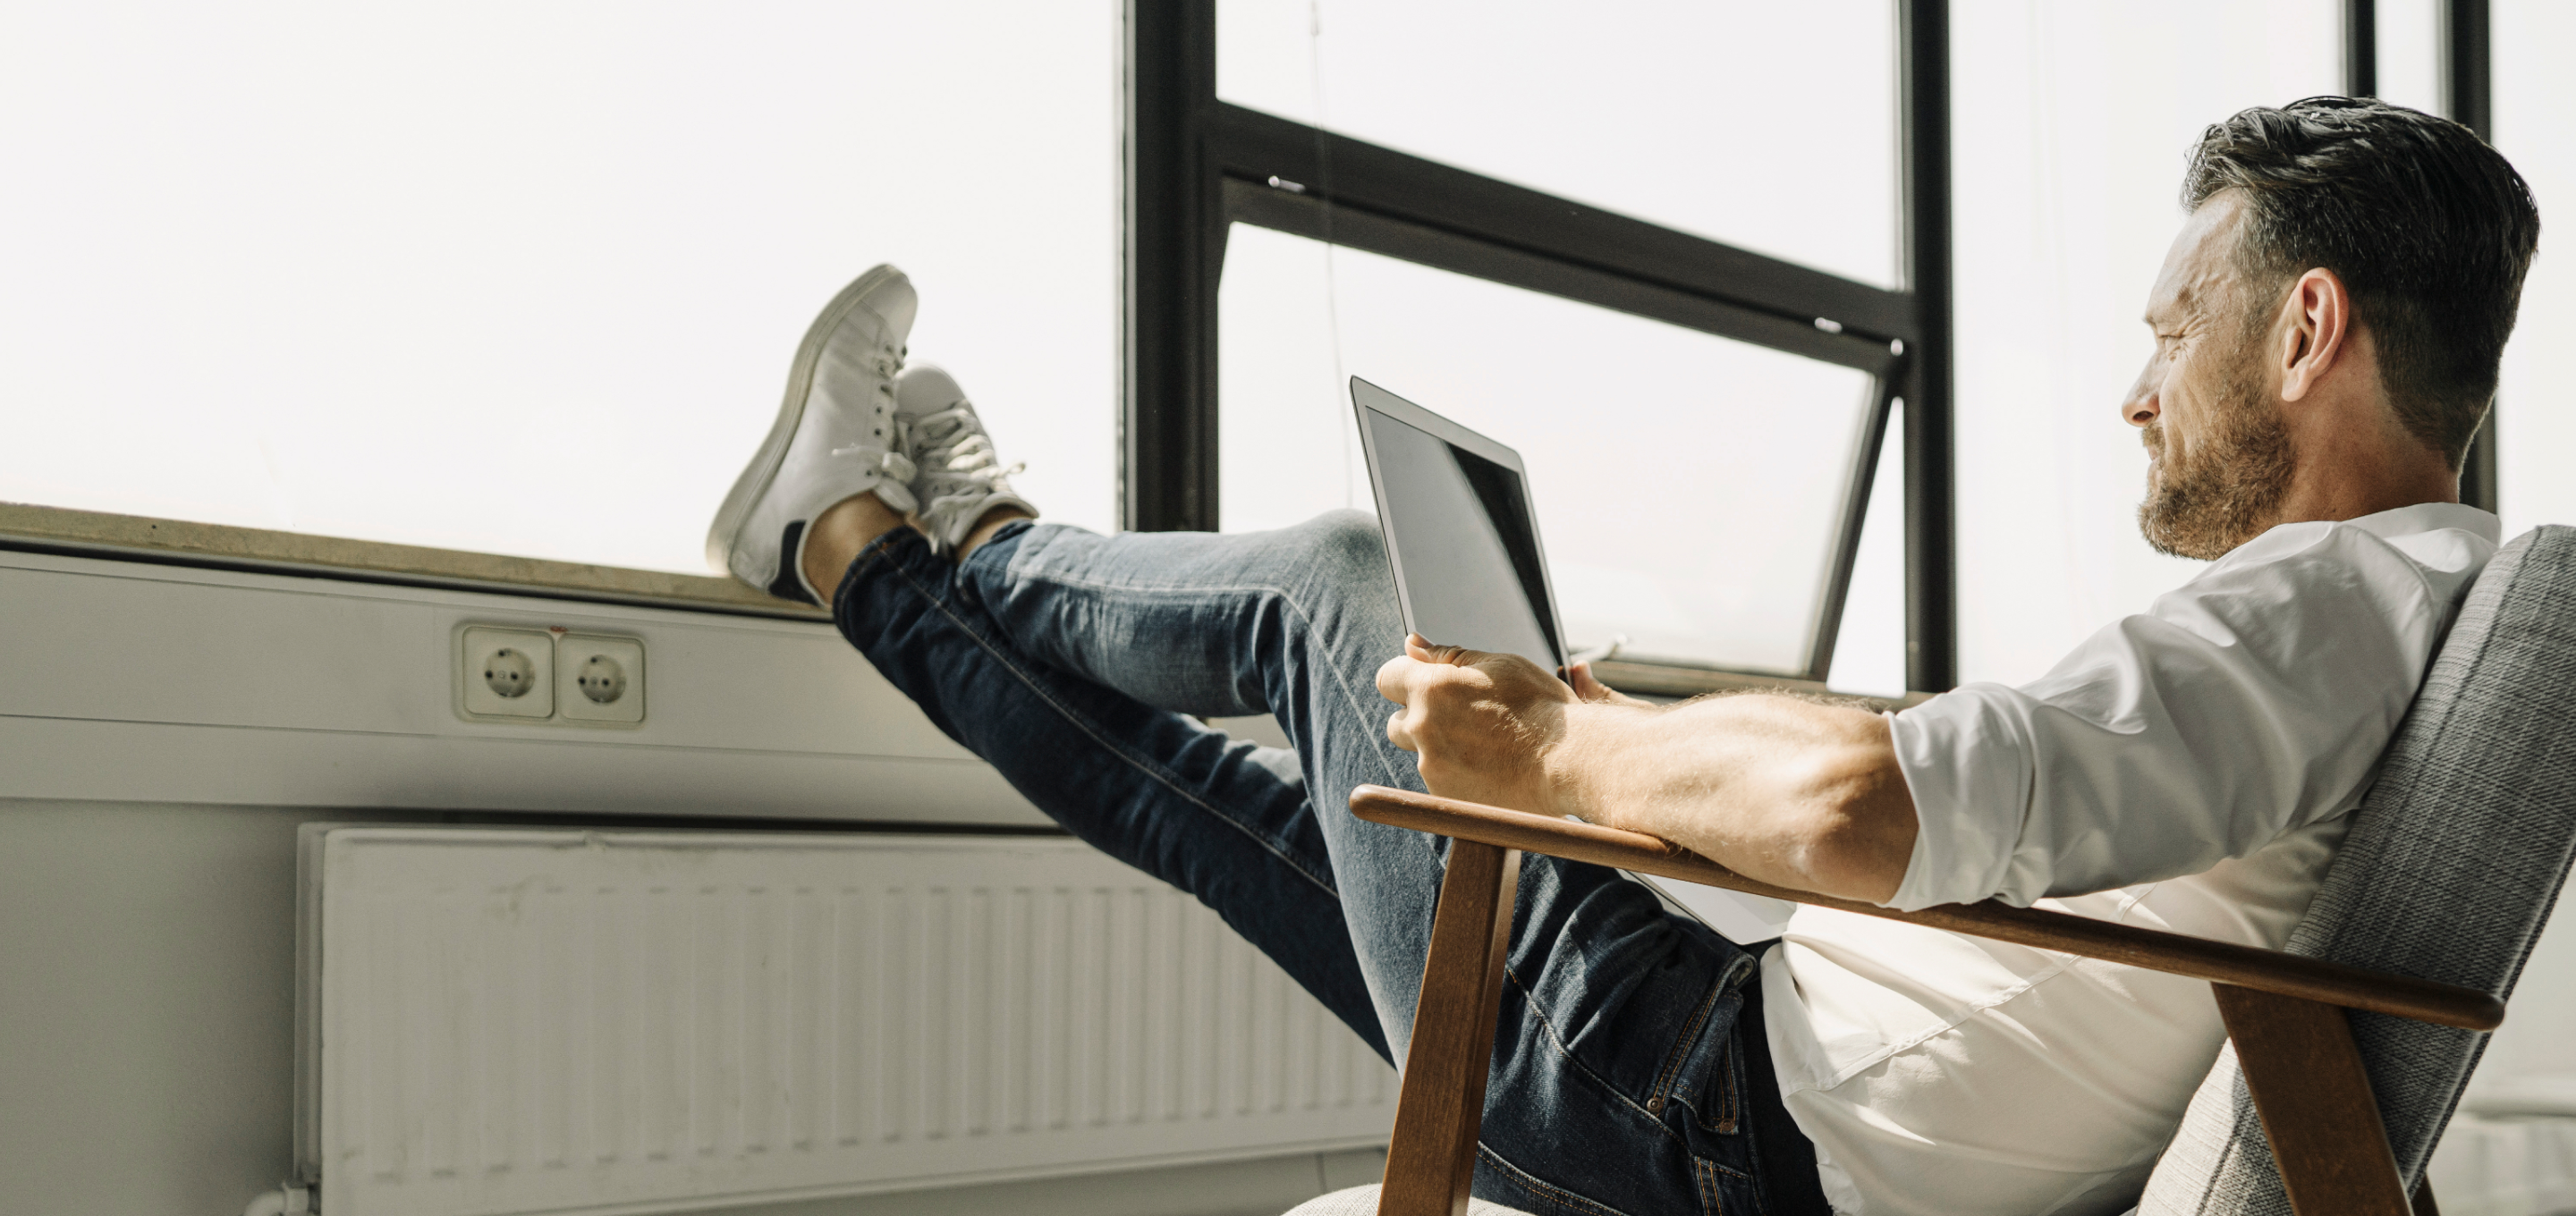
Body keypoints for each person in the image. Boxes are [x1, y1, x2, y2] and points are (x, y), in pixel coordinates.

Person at [702, 97, 2537, 1216]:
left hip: (1710, 1120)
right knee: (1253, 811)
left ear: (2307, 326)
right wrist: (1608, 742)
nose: (2139, 390)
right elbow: (1965, 798)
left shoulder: (2328, 603)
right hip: (1746, 1084)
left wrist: (1557, 762)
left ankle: (983, 539)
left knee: (1338, 584)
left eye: (2172, 329)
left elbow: (1863, 798)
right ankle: (859, 543)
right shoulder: (2407, 606)